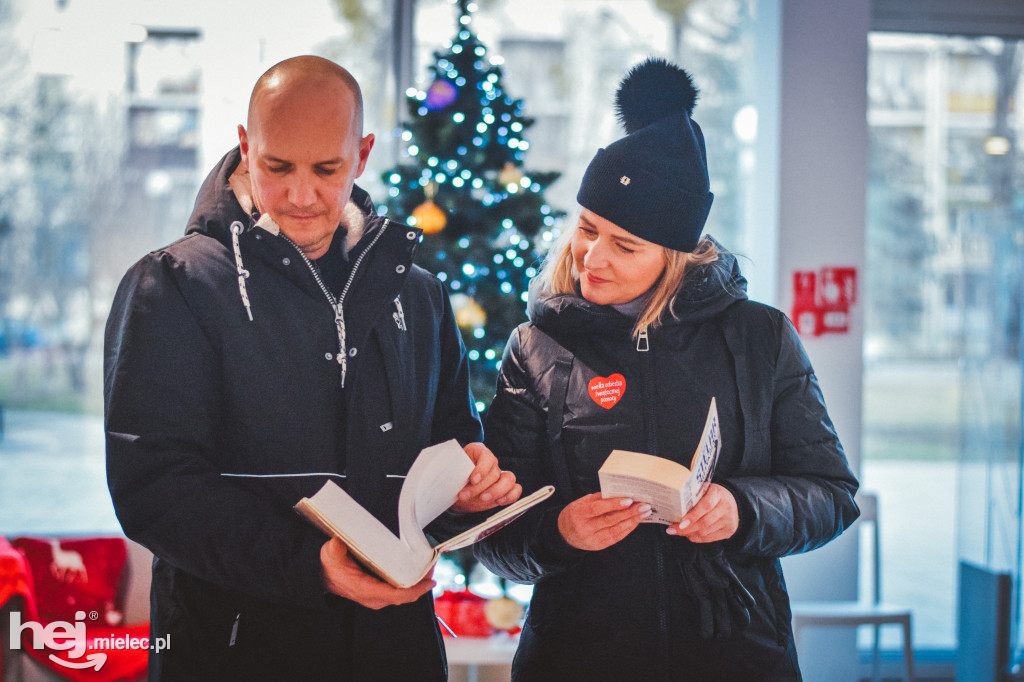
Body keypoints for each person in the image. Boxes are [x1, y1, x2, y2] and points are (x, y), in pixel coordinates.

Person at [104, 55, 520, 681]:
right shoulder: (174, 286)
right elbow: (154, 490)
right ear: (245, 148)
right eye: (277, 167)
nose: (301, 195)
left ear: (363, 155)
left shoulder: (419, 294)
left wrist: (470, 489)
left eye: (327, 169)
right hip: (235, 653)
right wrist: (310, 565)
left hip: (395, 651)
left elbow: (451, 448)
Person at [474, 58, 860, 681]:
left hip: (736, 655)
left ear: (677, 255)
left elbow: (832, 495)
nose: (592, 257)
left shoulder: (759, 337)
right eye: (588, 229)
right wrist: (559, 532)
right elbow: (492, 534)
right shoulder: (536, 347)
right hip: (576, 657)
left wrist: (742, 509)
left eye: (625, 246)